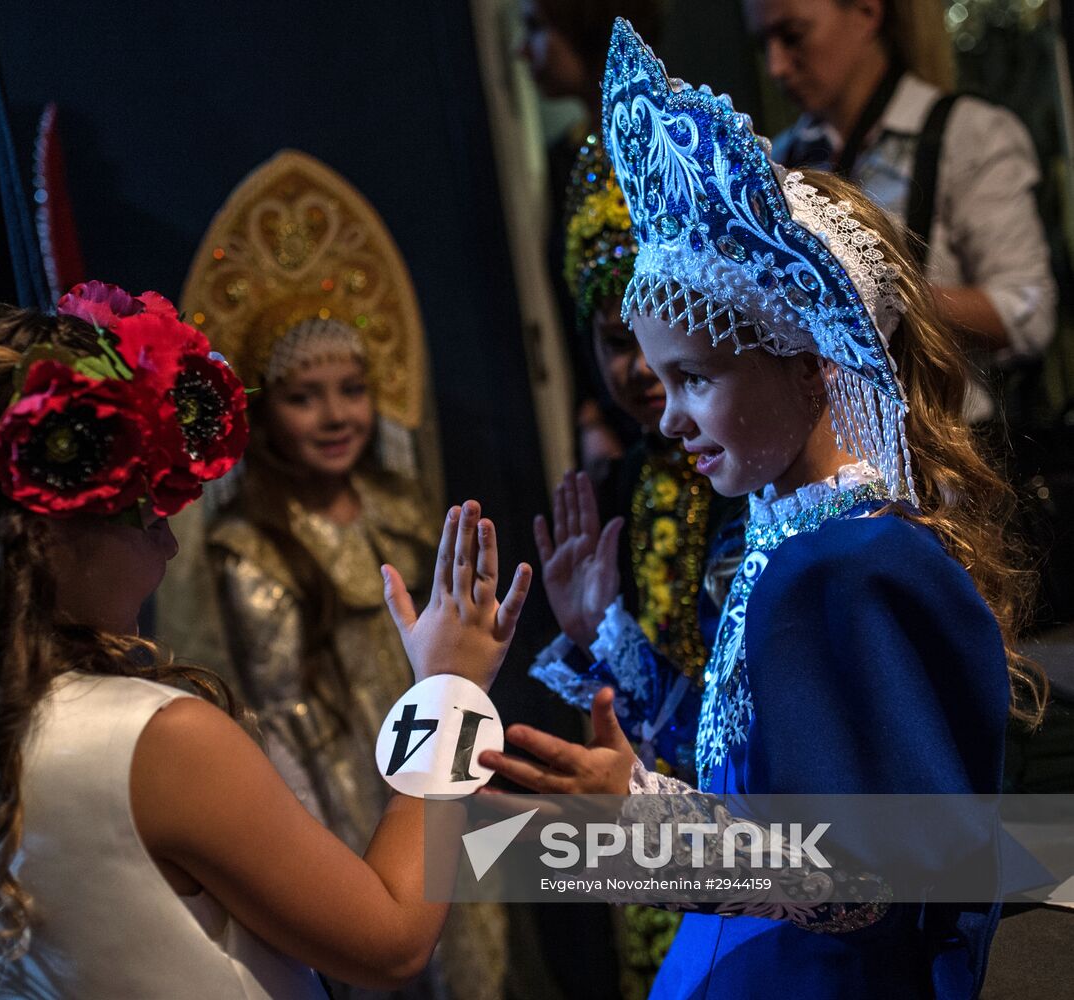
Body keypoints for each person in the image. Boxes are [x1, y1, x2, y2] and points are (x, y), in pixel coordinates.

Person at [481, 19, 1047, 998]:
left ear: (809, 361)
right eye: (658, 379)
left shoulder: (847, 564)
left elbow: (872, 875)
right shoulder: (792, 545)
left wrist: (645, 829)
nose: (670, 411)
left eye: (695, 376)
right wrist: (607, 649)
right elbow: (756, 775)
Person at [0, 282, 532, 998]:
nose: (170, 551)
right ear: (43, 535)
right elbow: (392, 939)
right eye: (147, 517)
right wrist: (447, 692)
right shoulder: (158, 742)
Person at [171, 149, 505, 999]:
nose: (334, 416)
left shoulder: (403, 511)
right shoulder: (244, 544)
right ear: (261, 409)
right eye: (304, 395)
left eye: (351, 389)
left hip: (438, 764)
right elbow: (245, 701)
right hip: (324, 794)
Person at [529, 134, 746, 1000]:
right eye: (616, 341)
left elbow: (731, 725)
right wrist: (595, 635)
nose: (639, 370)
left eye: (661, 339)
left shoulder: (752, 476)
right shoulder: (630, 481)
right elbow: (649, 718)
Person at [748, 0, 1056, 425]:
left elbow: (1028, 313)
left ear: (867, 12)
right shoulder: (779, 158)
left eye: (793, 36)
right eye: (762, 44)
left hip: (948, 449)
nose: (776, 67)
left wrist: (886, 292)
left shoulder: (970, 133)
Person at [518, 0, 664, 467]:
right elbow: (574, 311)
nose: (523, 50)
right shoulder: (570, 158)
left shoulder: (673, 138)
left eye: (537, 28)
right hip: (623, 413)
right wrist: (591, 417)